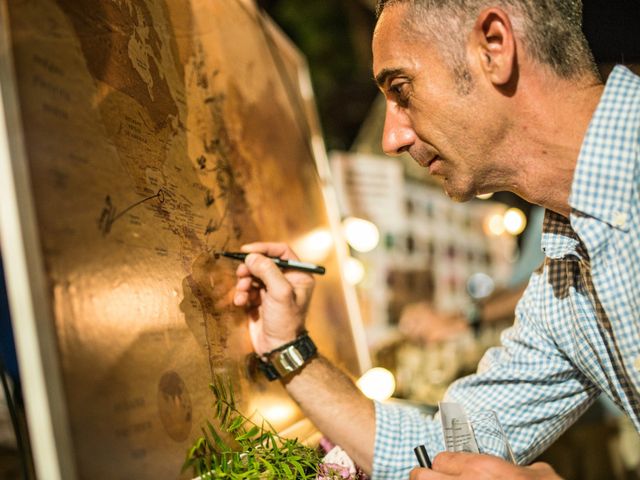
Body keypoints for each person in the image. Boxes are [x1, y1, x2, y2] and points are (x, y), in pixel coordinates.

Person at [232, 0, 640, 478]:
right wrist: (287, 346)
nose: (392, 138)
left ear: (494, 47)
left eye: (401, 90)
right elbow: (439, 446)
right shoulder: (566, 267)